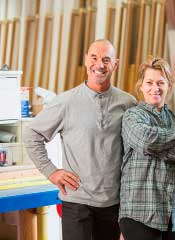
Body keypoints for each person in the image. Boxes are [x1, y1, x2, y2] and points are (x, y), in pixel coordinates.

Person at [23, 39, 137, 240]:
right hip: (77, 202)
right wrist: (51, 171)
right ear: (86, 60)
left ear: (116, 64)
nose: (100, 65)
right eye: (94, 58)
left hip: (113, 203)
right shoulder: (66, 102)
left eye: (106, 60)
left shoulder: (127, 103)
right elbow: (31, 134)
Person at [119, 56, 175, 240]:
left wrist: (158, 147)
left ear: (169, 86)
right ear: (141, 85)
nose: (155, 88)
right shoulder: (132, 116)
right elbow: (147, 142)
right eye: (149, 82)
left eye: (160, 82)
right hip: (140, 212)